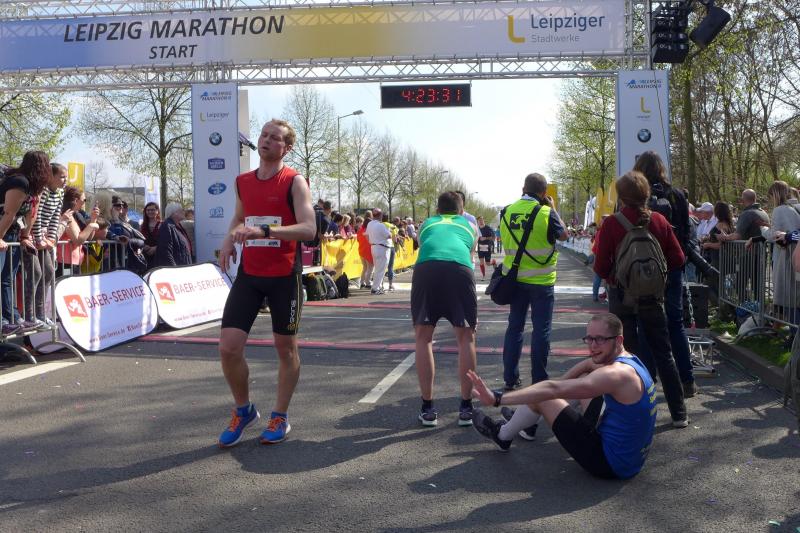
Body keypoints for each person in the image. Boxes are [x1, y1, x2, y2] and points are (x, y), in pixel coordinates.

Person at [216, 119, 316, 447]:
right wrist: (229, 239)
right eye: (264, 135)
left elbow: (309, 229)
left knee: (285, 348)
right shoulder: (243, 181)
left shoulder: (295, 182)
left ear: (287, 148)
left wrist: (266, 231)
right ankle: (243, 410)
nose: (267, 140)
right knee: (228, 347)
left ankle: (280, 416)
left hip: (284, 276)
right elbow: (239, 217)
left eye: (275, 137)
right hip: (250, 274)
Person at [469, 313, 657, 479]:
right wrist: (561, 387)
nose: (593, 346)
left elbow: (552, 389)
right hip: (631, 459)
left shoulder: (615, 374)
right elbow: (586, 366)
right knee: (580, 379)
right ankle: (530, 417)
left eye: (600, 339)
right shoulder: (629, 361)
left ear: (619, 340)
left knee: (544, 397)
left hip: (609, 464)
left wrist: (497, 399)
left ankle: (502, 435)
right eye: (589, 338)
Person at [593, 171, 688, 427]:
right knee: (663, 354)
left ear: (621, 197)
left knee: (625, 356)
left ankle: (633, 414)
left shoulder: (612, 224)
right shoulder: (658, 220)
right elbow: (678, 259)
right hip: (653, 298)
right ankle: (679, 413)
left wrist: (616, 276)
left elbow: (600, 267)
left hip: (621, 298)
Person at [633, 151, 698, 397]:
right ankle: (687, 380)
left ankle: (647, 382)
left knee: (644, 324)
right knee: (675, 323)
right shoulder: (677, 195)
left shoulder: (635, 196)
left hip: (643, 268)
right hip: (672, 265)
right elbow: (686, 232)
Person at [411, 191, 478, 426]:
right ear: (462, 211)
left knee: (423, 338)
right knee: (466, 338)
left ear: (437, 210)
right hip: (459, 269)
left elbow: (424, 245)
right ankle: (466, 407)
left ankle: (428, 407)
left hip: (427, 269)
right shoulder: (471, 226)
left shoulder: (427, 224)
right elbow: (469, 255)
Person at [500, 173, 568, 391]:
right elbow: (564, 235)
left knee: (515, 327)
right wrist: (553, 208)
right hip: (542, 281)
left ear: (523, 189)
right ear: (544, 193)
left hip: (515, 280)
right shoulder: (547, 213)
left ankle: (510, 378)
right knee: (541, 330)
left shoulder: (506, 211)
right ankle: (539, 380)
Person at [0, 151, 50, 335]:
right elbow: (9, 213)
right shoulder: (20, 182)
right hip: (3, 232)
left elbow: (30, 214)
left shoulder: (31, 186)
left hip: (11, 233)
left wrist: (24, 237)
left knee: (7, 278)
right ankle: (4, 321)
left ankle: (12, 318)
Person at [22, 162, 66, 327]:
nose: (65, 180)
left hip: (44, 237)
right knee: (36, 273)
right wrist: (39, 238)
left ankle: (40, 314)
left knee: (48, 271)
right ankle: (29, 315)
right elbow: (37, 215)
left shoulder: (60, 193)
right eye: (62, 177)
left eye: (66, 177)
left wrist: (52, 238)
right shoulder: (44, 191)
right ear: (51, 176)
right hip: (32, 235)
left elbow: (55, 217)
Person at [56, 186, 99, 276]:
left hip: (74, 262)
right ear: (76, 200)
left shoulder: (73, 216)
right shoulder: (66, 216)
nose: (84, 202)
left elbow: (88, 238)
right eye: (84, 200)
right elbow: (78, 240)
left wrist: (93, 220)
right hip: (66, 263)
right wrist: (91, 226)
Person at [156, 203, 193, 267]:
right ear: (174, 213)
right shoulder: (167, 226)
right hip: (176, 269)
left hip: (183, 266)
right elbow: (165, 252)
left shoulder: (178, 226)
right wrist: (174, 269)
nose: (184, 212)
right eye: (181, 210)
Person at [366, 208, 392, 295]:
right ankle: (375, 288)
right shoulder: (381, 225)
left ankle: (378, 287)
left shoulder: (370, 224)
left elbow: (366, 235)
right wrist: (390, 230)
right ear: (380, 215)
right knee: (380, 270)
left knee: (378, 269)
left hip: (374, 247)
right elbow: (389, 235)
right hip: (382, 248)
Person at [140, 202, 161, 270]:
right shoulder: (142, 226)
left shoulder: (162, 225)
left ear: (157, 211)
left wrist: (155, 248)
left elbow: (166, 241)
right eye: (148, 210)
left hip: (159, 255)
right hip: (146, 255)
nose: (150, 212)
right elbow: (139, 240)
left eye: (152, 210)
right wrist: (144, 246)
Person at [357, 211, 374, 289]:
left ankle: (362, 282)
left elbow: (358, 240)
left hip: (361, 251)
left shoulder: (360, 230)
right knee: (370, 267)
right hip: (368, 251)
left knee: (365, 268)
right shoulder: (370, 231)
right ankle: (368, 282)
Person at [476, 216, 495, 280]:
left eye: (481, 220)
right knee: (481, 262)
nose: (481, 221)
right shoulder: (477, 229)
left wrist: (485, 238)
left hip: (487, 247)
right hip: (480, 248)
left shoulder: (488, 228)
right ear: (477, 222)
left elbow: (493, 238)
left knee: (488, 263)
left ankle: (493, 262)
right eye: (479, 221)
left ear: (483, 220)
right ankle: (483, 276)